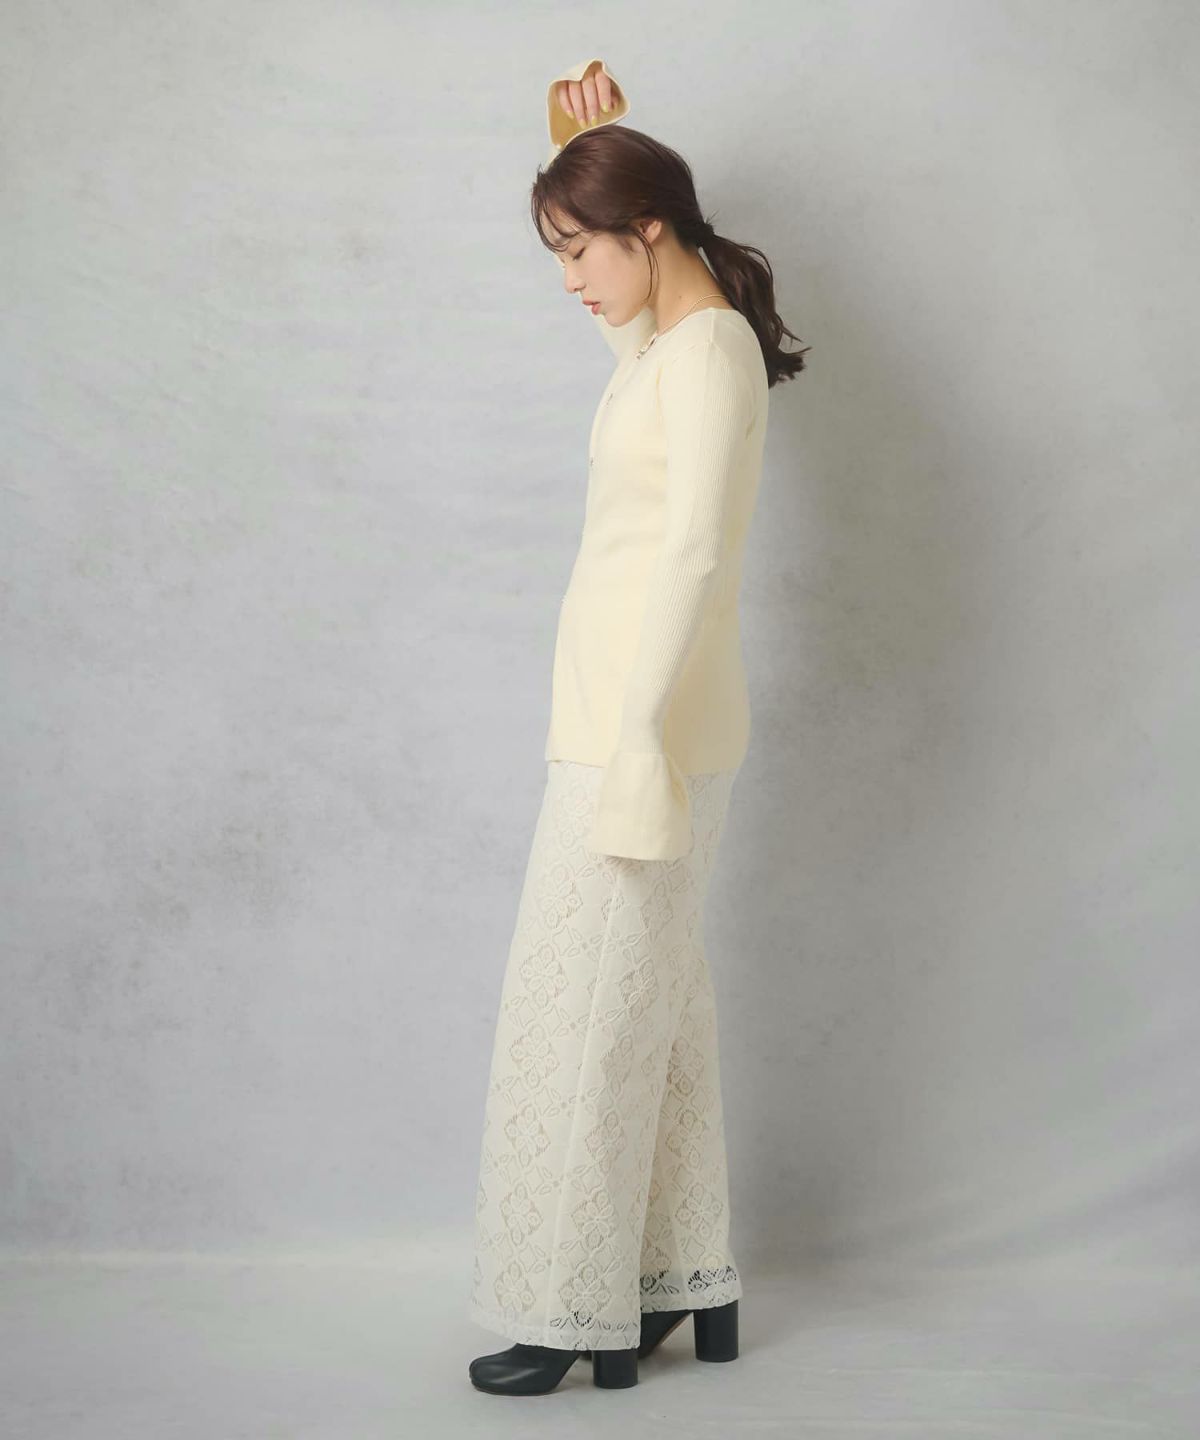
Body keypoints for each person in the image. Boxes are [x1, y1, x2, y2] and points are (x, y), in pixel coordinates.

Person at [466, 56, 809, 1396]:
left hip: (643, 733)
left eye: (578, 248)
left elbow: (693, 557)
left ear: (648, 228)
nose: (568, 280)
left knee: (592, 1020)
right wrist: (585, 145)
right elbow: (638, 355)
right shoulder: (671, 350)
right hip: (615, 722)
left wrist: (636, 743)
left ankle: (573, 1306)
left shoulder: (710, 354)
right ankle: (685, 1286)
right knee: (655, 1012)